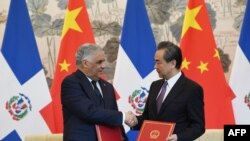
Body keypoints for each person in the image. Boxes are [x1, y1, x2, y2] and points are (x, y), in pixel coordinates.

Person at [127, 41, 205, 141]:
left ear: (173, 63)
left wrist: (178, 137)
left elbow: (198, 126)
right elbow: (148, 117)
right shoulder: (155, 85)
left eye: (158, 62)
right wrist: (135, 121)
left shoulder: (192, 89)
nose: (155, 66)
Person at [61, 43, 132, 141]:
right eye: (99, 62)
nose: (104, 66)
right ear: (85, 63)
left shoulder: (107, 87)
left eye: (104, 61)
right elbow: (88, 112)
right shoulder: (71, 83)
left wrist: (123, 138)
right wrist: (123, 116)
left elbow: (112, 116)